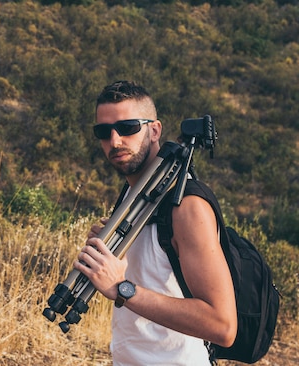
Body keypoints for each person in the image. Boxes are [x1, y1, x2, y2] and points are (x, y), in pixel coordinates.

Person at [73, 80, 237, 365]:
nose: (114, 141)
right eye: (103, 131)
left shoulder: (187, 207)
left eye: (128, 127)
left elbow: (222, 326)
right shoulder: (133, 195)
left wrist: (122, 288)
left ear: (155, 130)